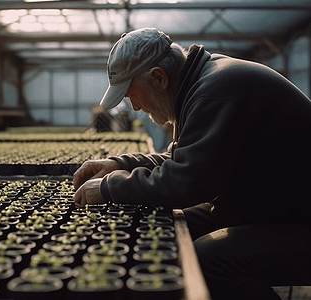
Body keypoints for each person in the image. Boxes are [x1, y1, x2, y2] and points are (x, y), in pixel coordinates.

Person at [73, 27, 311, 300]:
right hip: (269, 209)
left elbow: (188, 182)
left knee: (209, 260)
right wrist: (121, 164)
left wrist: (110, 188)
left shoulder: (215, 91)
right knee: (167, 226)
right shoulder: (201, 83)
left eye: (132, 95)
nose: (136, 107)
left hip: (300, 224)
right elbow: (182, 161)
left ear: (158, 78)